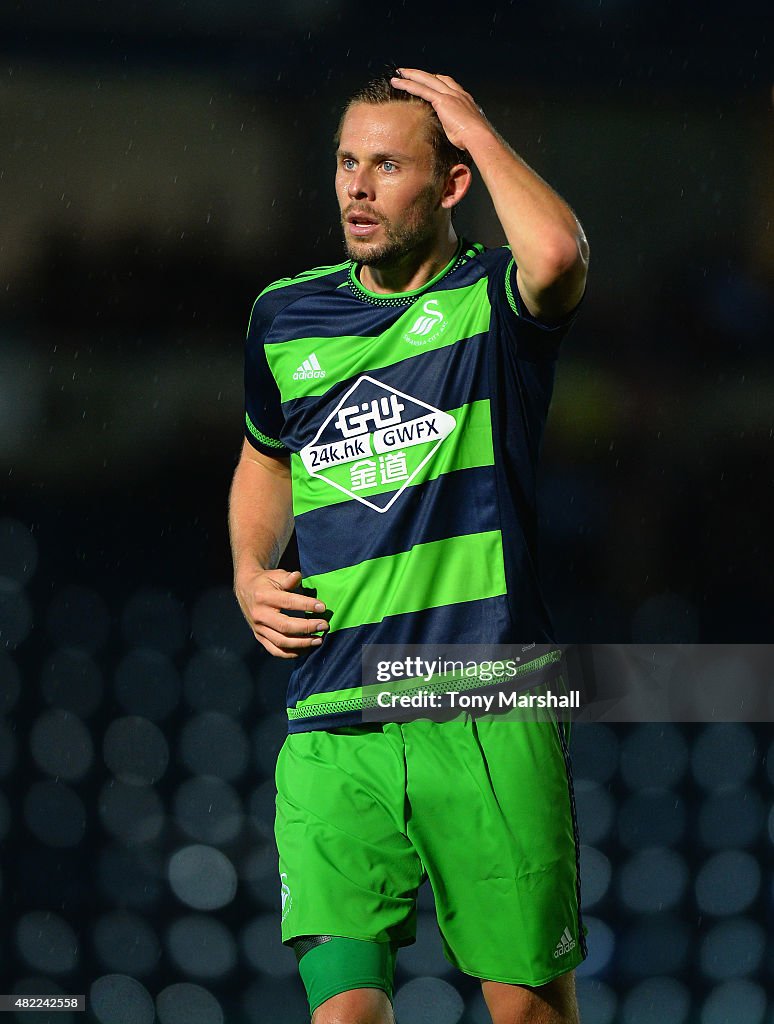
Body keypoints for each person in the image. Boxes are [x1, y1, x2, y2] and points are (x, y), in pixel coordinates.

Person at [229, 68, 589, 1024]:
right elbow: (266, 462)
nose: (357, 186)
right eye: (348, 162)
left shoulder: (492, 305)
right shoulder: (286, 315)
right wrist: (247, 572)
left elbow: (555, 251)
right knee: (344, 1013)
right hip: (333, 708)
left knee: (525, 1008)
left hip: (485, 696)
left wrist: (474, 120)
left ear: (452, 184)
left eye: (388, 165)